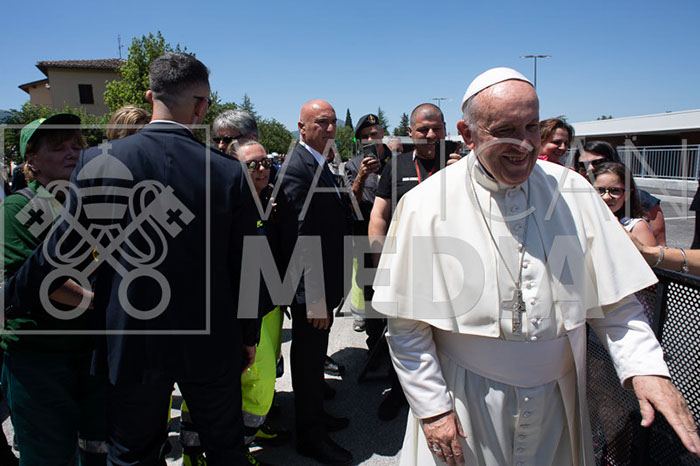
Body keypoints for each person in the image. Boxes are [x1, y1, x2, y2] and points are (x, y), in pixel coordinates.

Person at [371, 67, 700, 465]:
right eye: (505, 130)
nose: (524, 144)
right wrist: (433, 409)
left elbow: (615, 302)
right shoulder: (424, 205)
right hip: (466, 399)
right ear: (468, 133)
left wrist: (646, 368)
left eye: (531, 127)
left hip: (559, 401)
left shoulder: (574, 192)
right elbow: (407, 325)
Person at [3, 53, 260, 465]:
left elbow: (60, 250)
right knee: (226, 449)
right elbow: (247, 265)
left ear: (150, 97)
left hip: (132, 339)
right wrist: (248, 335)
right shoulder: (227, 172)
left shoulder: (98, 162)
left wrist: (11, 297)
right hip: (211, 339)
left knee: (131, 454)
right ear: (201, 107)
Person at [0, 113, 106, 465]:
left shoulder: (86, 201)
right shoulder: (20, 206)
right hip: (40, 356)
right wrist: (102, 302)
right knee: (48, 454)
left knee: (97, 448)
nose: (72, 153)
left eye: (76, 145)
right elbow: (42, 282)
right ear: (31, 160)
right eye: (59, 147)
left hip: (89, 350)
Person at [367, 103, 461, 422]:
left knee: (448, 334)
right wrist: (379, 263)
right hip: (406, 265)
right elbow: (379, 215)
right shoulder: (396, 166)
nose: (430, 135)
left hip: (455, 266)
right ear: (411, 132)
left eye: (436, 128)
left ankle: (450, 394)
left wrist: (462, 173)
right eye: (423, 129)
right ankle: (399, 391)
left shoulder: (463, 164)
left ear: (446, 129)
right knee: (404, 332)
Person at [276, 99, 353, 465]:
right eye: (321, 122)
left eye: (333, 121)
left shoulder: (319, 162)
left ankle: (316, 416)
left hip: (324, 280)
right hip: (312, 289)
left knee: (313, 358)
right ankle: (309, 436)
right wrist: (315, 297)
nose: (330, 128)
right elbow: (300, 235)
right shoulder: (298, 167)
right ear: (302, 127)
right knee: (307, 362)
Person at [344, 114, 391, 332]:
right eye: (365, 137)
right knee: (371, 294)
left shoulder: (401, 161)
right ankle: (375, 340)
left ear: (382, 133)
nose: (371, 139)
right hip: (366, 241)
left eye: (374, 133)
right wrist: (361, 177)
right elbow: (350, 204)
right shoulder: (353, 166)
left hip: (396, 237)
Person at [574, 141, 667, 246]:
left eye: (598, 162)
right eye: (582, 165)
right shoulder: (576, 198)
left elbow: (658, 248)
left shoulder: (641, 200)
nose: (590, 168)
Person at [593, 161, 657, 246]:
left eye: (615, 191)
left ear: (628, 193)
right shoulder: (586, 221)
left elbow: (649, 254)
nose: (606, 197)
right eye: (599, 190)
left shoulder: (635, 227)